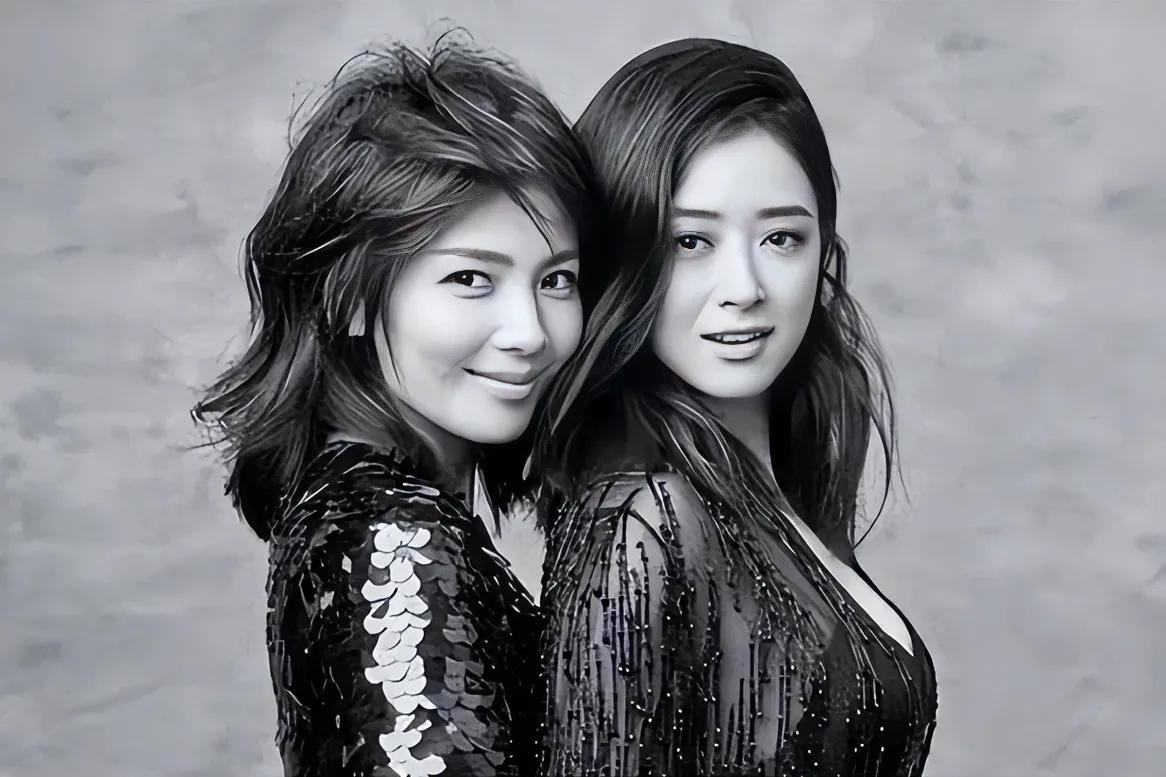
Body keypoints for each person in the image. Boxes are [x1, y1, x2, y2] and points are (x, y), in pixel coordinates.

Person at [534, 38, 938, 776]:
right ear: (622, 257)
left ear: (822, 253)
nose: (745, 287)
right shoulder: (645, 519)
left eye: (781, 237)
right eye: (691, 241)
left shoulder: (762, 492)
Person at [193, 38, 592, 776]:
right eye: (471, 278)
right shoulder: (396, 541)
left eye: (556, 279)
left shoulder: (350, 508)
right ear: (347, 294)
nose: (531, 333)